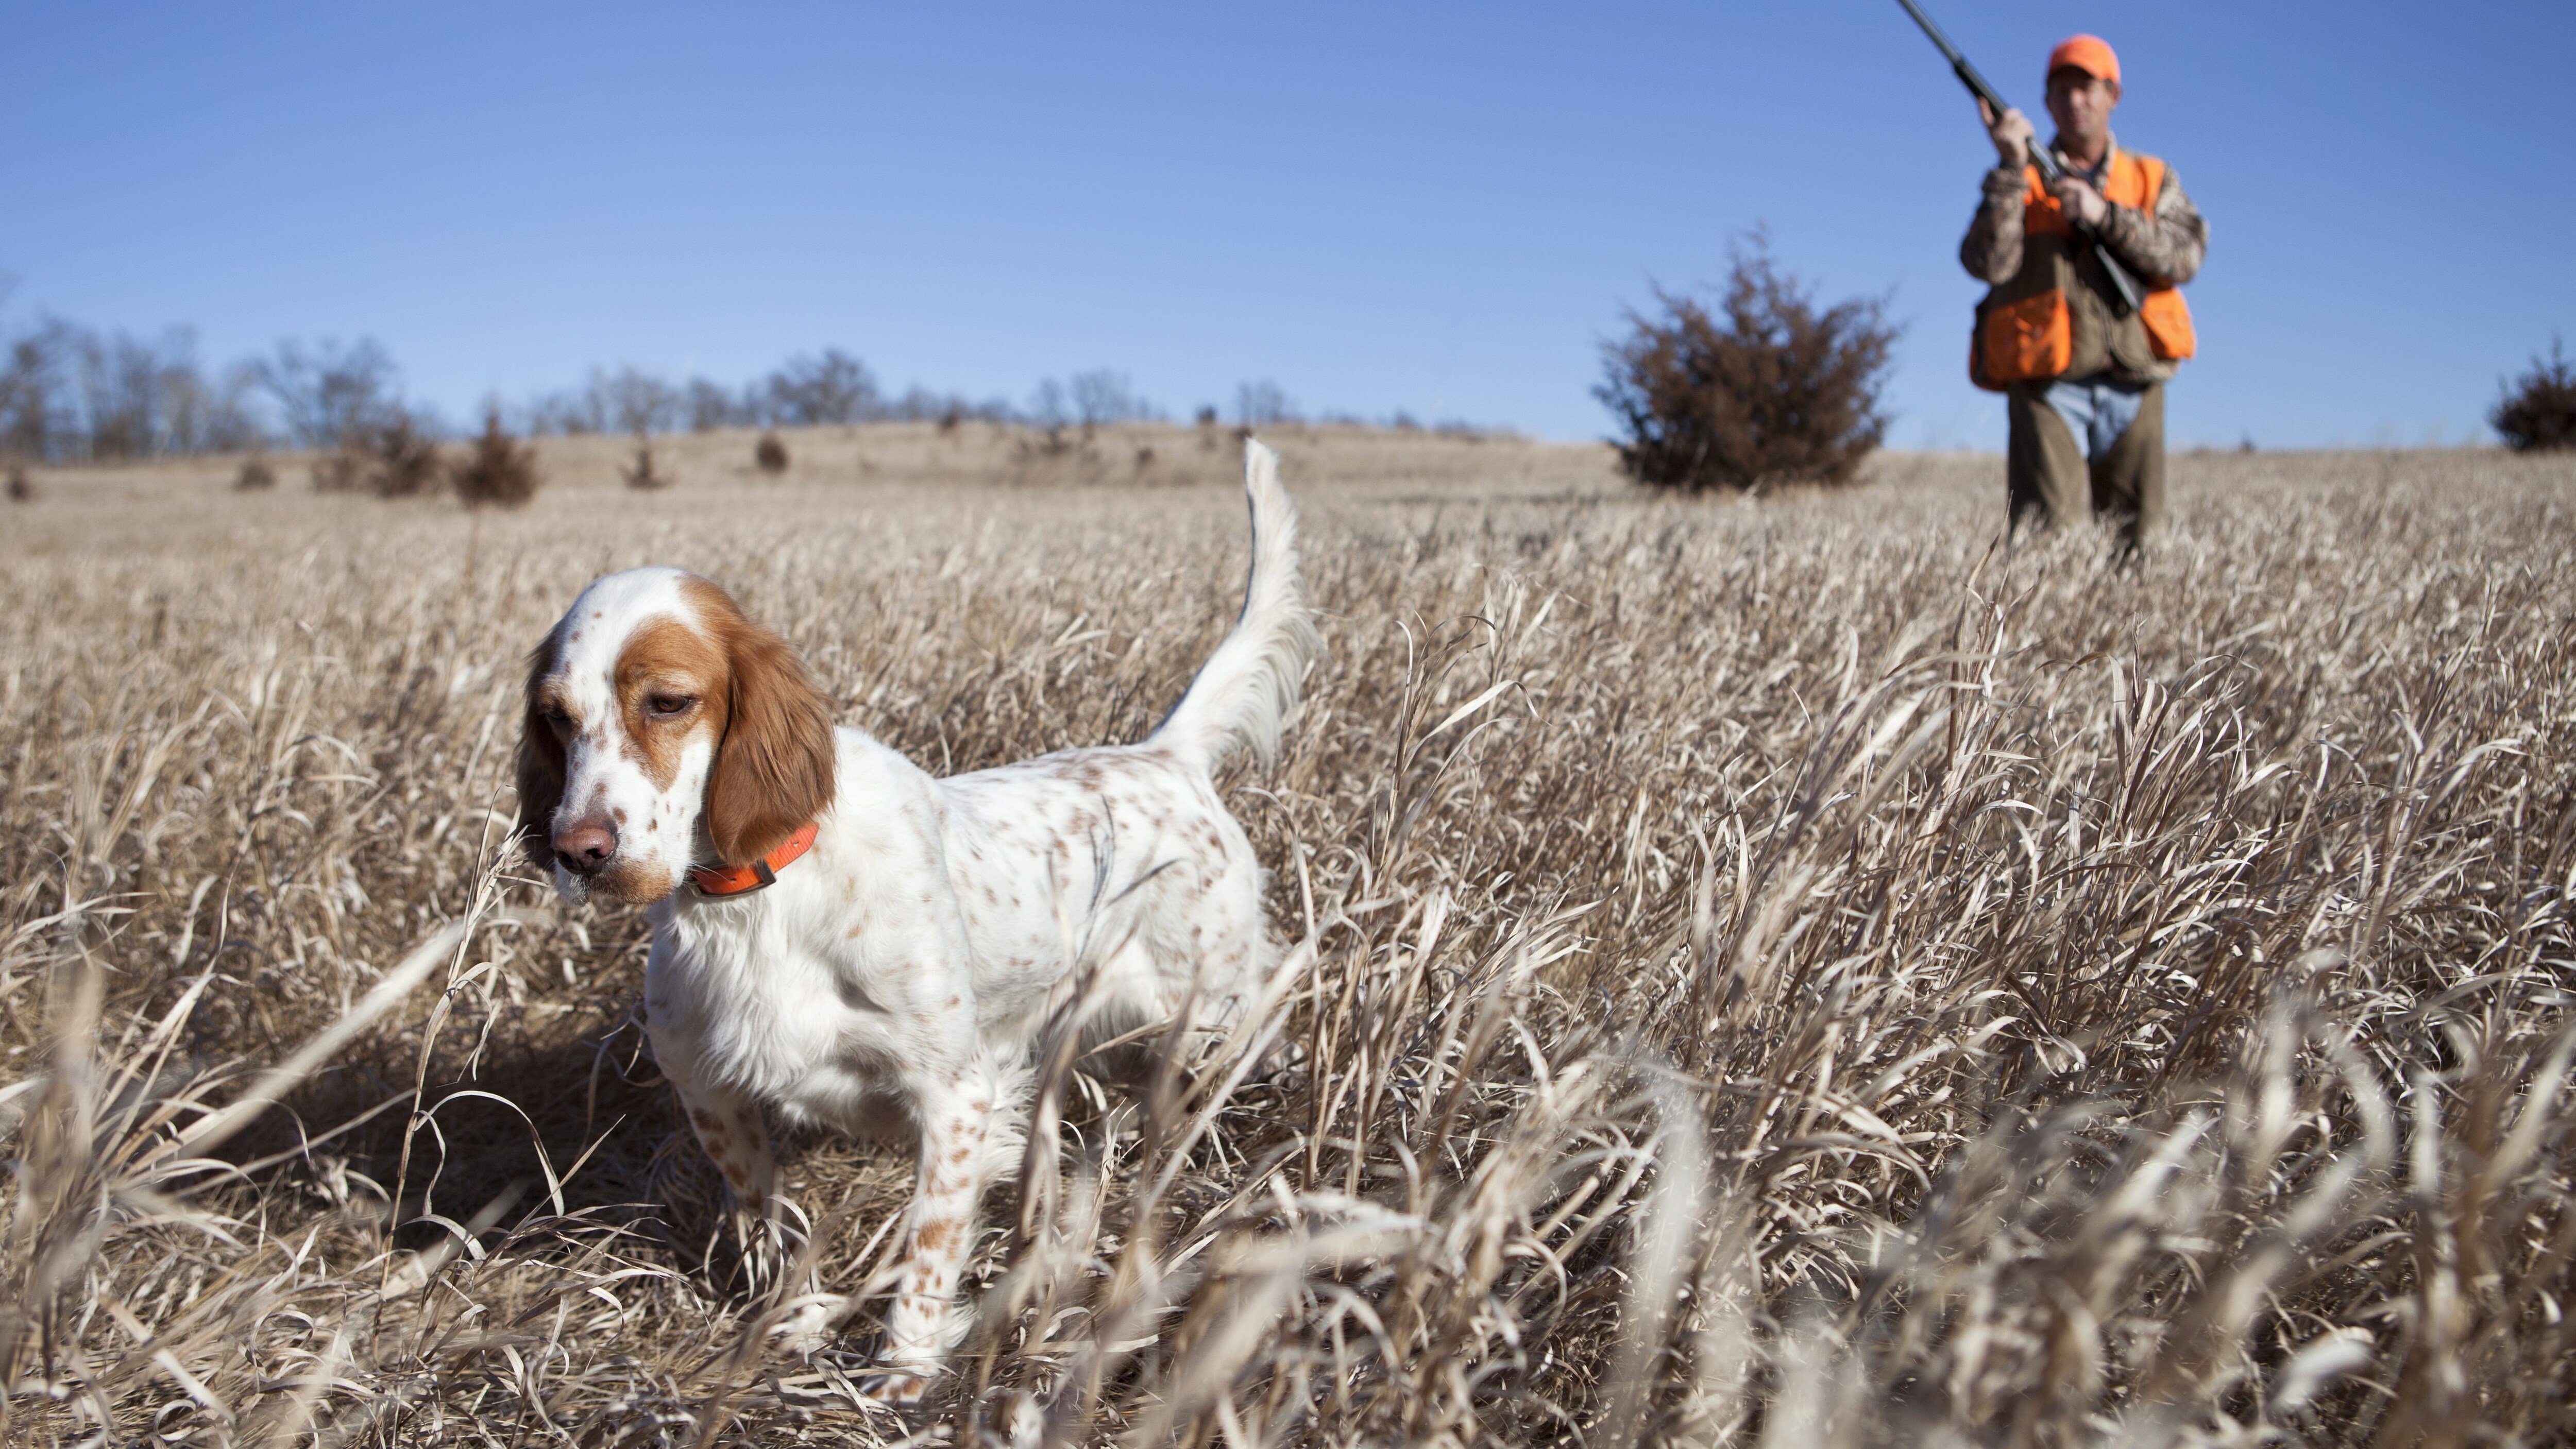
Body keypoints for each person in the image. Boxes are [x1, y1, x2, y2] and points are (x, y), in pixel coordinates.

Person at [1959, 35, 2208, 550]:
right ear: (2046, 102)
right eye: (2062, 90)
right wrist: (2009, 168)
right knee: (2048, 549)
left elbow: (2184, 257)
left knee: (2141, 548)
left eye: (2087, 88)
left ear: (2113, 95)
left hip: (2135, 378)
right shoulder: (2020, 177)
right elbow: (1985, 263)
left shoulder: (2149, 176)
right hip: (2047, 384)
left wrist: (2104, 215)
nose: (2075, 100)